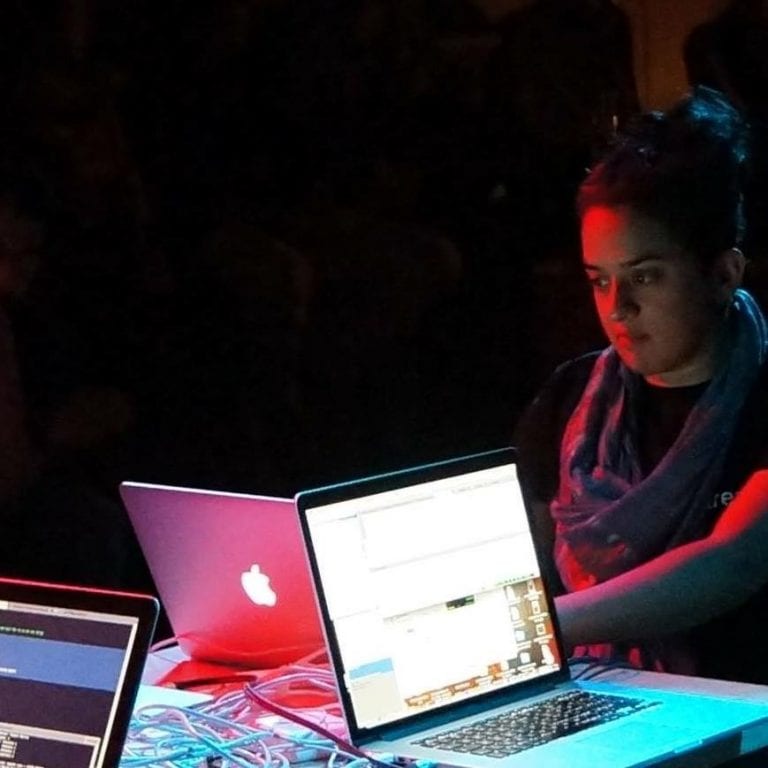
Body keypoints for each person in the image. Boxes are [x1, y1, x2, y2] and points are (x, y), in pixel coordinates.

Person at [514, 85, 768, 685]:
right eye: (599, 281)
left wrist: (535, 627)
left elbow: (733, 562)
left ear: (723, 272)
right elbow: (515, 564)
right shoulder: (570, 397)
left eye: (645, 277)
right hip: (589, 693)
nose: (618, 308)